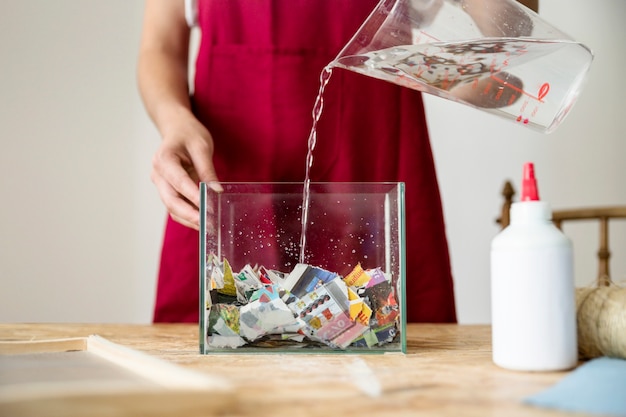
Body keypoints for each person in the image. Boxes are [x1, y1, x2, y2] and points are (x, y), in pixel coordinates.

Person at [138, 0, 457, 324]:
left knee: (393, 347)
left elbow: (497, 19)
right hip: (228, 184)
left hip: (376, 165)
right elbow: (160, 47)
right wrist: (174, 120)